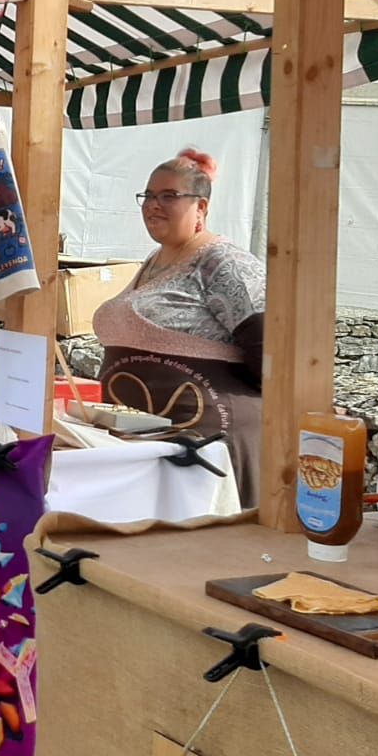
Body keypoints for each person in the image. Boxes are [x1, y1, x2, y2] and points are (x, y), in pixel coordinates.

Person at [92, 148, 266, 506]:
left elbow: (271, 351)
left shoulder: (224, 263)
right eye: (148, 196)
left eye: (169, 196)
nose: (153, 205)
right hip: (151, 441)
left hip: (205, 444)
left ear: (201, 207)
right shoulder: (154, 261)